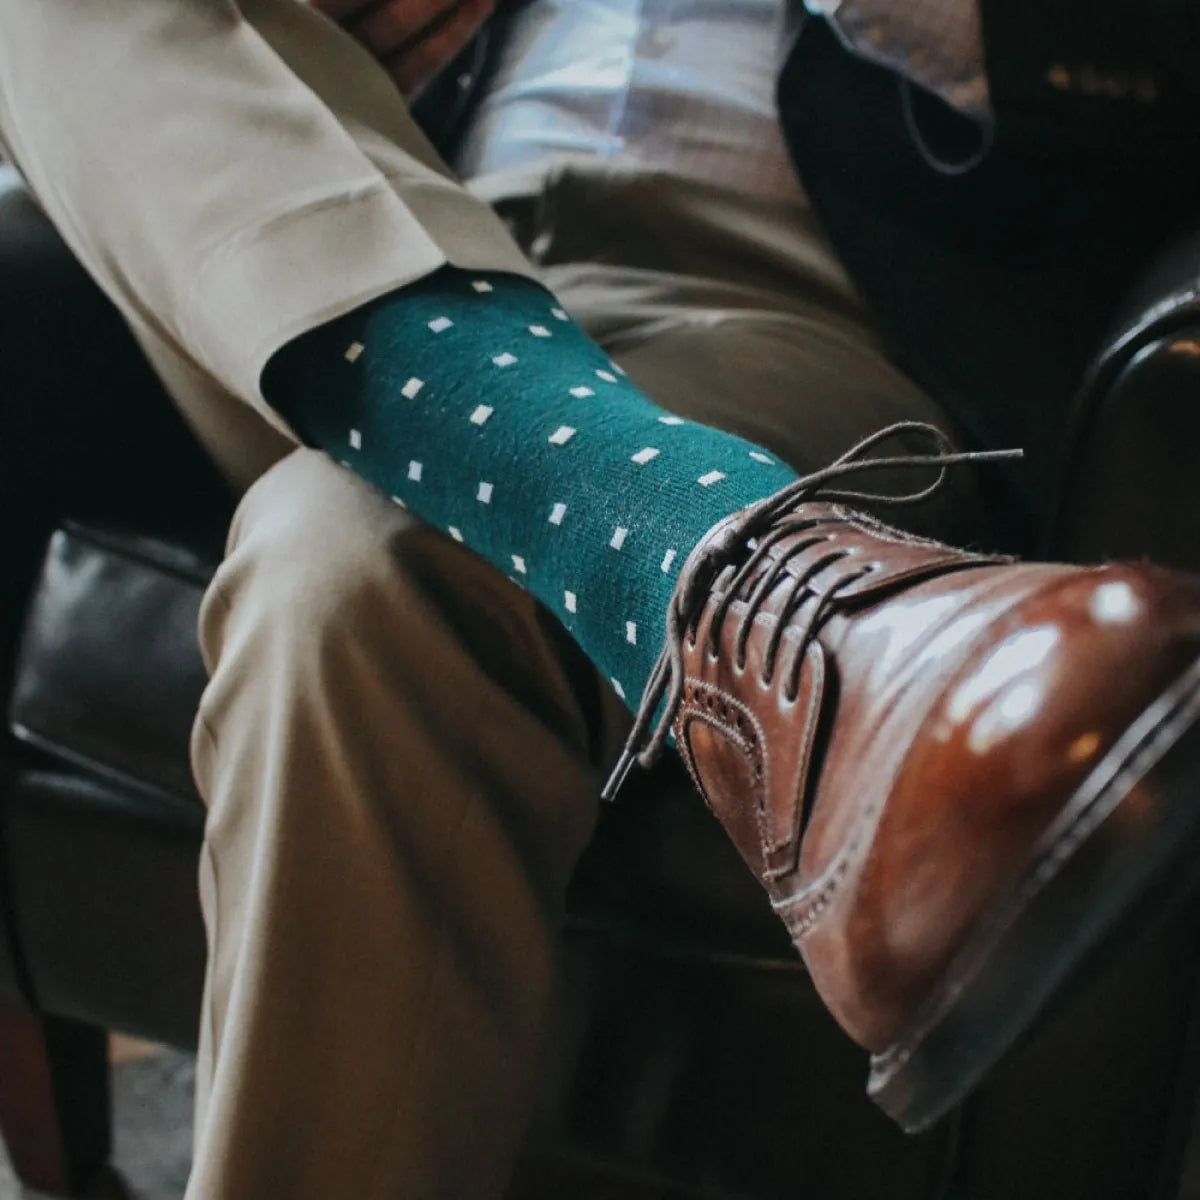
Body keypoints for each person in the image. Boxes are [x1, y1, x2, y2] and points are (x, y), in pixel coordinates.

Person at [2, 0, 1200, 1195]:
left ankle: (599, 489)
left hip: (788, 297)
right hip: (353, 233)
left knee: (351, 567)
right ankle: (733, 565)